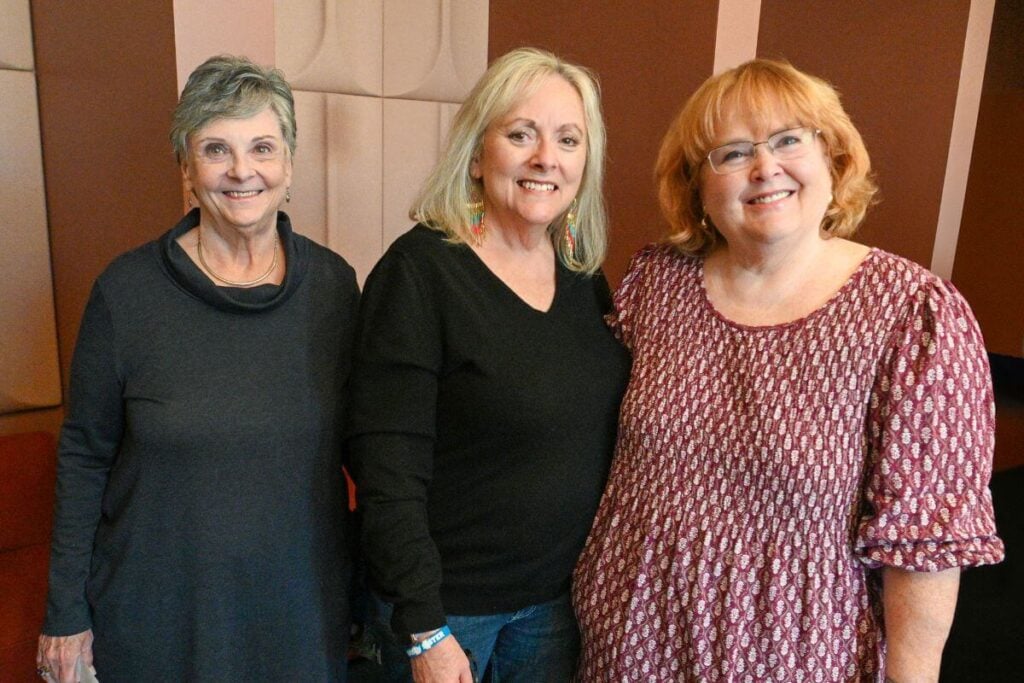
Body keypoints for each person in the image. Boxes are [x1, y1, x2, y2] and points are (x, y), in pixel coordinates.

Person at [573, 59, 1005, 682]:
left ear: (832, 156)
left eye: (787, 140)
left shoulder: (912, 314)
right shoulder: (657, 283)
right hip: (629, 636)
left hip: (797, 653)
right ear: (697, 185)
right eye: (732, 152)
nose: (764, 167)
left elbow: (926, 543)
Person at [36, 55, 358, 682]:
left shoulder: (335, 288)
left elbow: (367, 446)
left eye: (262, 147)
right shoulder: (126, 293)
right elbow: (84, 456)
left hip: (297, 615)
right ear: (186, 166)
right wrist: (65, 615)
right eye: (216, 149)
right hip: (156, 618)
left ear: (289, 164)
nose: (242, 171)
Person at [347, 47, 629, 682]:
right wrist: (424, 630)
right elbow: (385, 465)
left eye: (568, 139)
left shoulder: (584, 277)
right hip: (449, 613)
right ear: (476, 155)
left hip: (556, 608)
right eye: (520, 134)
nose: (545, 158)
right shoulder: (419, 272)